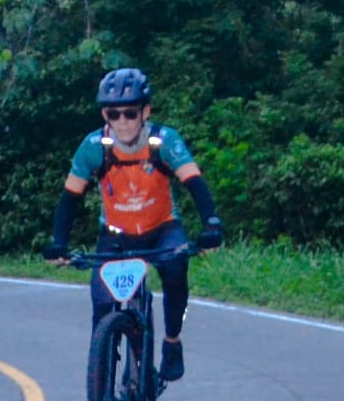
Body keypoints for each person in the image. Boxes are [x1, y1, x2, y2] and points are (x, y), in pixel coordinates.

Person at [43, 67, 226, 382]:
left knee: (175, 271)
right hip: (116, 237)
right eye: (114, 114)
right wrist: (58, 241)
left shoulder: (163, 141)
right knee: (102, 306)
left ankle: (171, 340)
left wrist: (211, 225)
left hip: (162, 229)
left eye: (130, 112)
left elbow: (193, 181)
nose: (123, 122)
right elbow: (70, 197)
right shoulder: (93, 146)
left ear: (145, 111)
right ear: (105, 114)